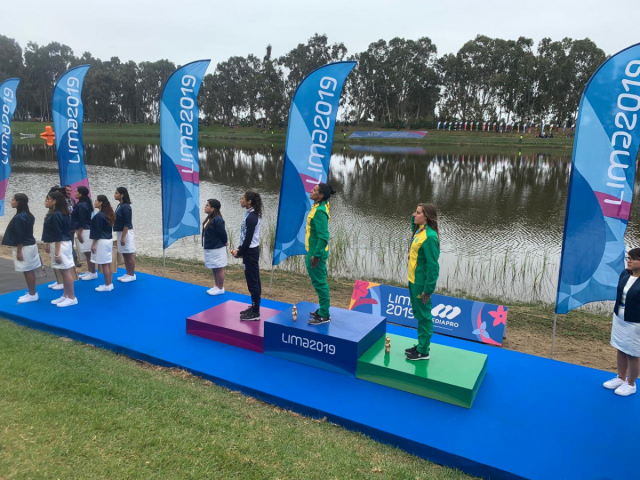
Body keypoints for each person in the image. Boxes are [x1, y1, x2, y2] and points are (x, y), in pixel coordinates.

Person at [405, 203, 440, 361]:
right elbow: (413, 222)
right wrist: (414, 217)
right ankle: (421, 345)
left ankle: (423, 351)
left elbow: (433, 266)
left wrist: (428, 288)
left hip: (421, 284)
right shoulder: (420, 230)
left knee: (424, 316)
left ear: (426, 217)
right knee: (419, 314)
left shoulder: (430, 237)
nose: (414, 214)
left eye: (418, 213)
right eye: (415, 211)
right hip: (413, 280)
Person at [603, 248, 640, 396]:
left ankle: (631, 384)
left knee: (632, 354)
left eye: (633, 258)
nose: (629, 261)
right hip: (619, 318)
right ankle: (620, 377)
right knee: (620, 348)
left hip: (635, 322)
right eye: (628, 258)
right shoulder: (625, 274)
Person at [2, 194, 42, 303]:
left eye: (13, 200)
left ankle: (32, 294)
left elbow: (21, 235)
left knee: (27, 270)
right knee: (29, 270)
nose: (11, 201)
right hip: (30, 245)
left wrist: (19, 251)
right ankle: (32, 292)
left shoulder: (20, 217)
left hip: (24, 247)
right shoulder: (29, 215)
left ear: (18, 202)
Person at [306, 183, 335, 325]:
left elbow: (323, 236)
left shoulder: (320, 211)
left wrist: (316, 255)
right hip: (313, 250)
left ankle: (324, 314)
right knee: (318, 281)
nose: (311, 190)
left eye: (315, 190)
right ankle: (323, 309)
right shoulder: (319, 206)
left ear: (321, 195)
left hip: (316, 252)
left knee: (320, 283)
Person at [231, 191, 262, 321]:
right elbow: (245, 236)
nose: (240, 200)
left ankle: (256, 312)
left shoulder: (252, 217)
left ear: (249, 201)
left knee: (253, 281)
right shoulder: (250, 213)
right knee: (253, 280)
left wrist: (239, 253)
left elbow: (248, 239)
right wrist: (240, 249)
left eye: (242, 198)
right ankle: (254, 306)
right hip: (249, 250)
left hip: (251, 252)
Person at [42, 191, 77, 307]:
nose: (47, 201)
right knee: (63, 271)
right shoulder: (61, 213)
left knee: (66, 272)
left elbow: (58, 234)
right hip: (61, 243)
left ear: (55, 201)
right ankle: (65, 295)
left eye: (49, 199)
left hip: (61, 244)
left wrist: (57, 253)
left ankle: (72, 297)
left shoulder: (57, 215)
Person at [202, 199, 228, 295]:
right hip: (210, 246)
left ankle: (220, 288)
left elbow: (222, 233)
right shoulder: (210, 218)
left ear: (212, 208)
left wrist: (225, 241)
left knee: (218, 267)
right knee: (213, 267)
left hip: (216, 248)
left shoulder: (218, 219)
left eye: (207, 205)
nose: (205, 207)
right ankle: (216, 285)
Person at [90, 195, 115, 292]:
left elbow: (97, 231)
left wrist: (93, 244)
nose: (95, 202)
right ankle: (110, 283)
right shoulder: (108, 213)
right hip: (109, 240)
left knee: (105, 264)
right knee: (108, 262)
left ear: (101, 203)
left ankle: (107, 285)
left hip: (102, 241)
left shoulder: (99, 216)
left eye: (96, 201)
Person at [73, 186, 96, 281]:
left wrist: (80, 232)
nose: (74, 193)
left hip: (85, 230)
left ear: (81, 193)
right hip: (84, 229)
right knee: (86, 252)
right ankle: (89, 270)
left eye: (76, 191)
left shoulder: (82, 205)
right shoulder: (83, 203)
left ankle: (93, 272)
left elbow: (82, 219)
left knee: (88, 252)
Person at [113, 187, 136, 282]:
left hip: (126, 232)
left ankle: (132, 274)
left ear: (122, 195)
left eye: (116, 193)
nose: (114, 195)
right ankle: (128, 273)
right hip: (120, 231)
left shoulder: (126, 207)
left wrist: (123, 237)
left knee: (129, 254)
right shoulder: (119, 205)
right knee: (124, 254)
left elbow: (127, 223)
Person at [64, 185, 81, 267]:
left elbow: (75, 213)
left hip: (71, 226)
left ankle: (74, 259)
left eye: (70, 190)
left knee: (71, 243)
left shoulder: (72, 200)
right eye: (67, 190)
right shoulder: (60, 200)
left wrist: (75, 225)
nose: (69, 192)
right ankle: (72, 259)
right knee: (66, 243)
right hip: (64, 225)